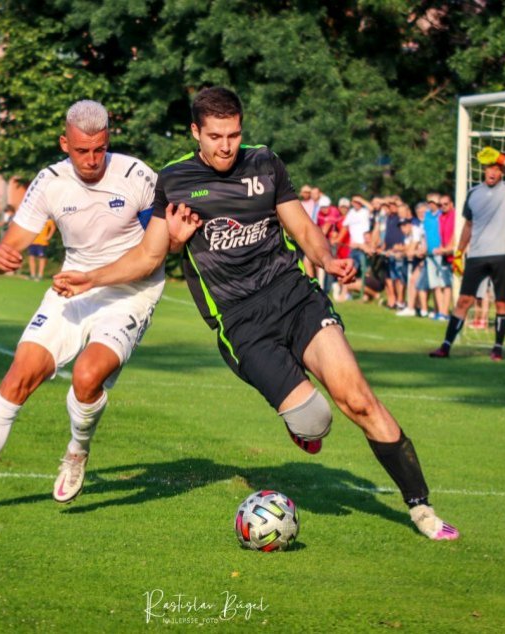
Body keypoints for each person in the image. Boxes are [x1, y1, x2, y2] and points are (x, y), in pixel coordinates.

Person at [53, 87, 459, 541]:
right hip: (240, 322)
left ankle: (421, 508)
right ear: (196, 133)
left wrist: (328, 260)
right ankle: (302, 422)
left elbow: (302, 227)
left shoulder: (265, 163)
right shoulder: (174, 180)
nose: (226, 146)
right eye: (215, 136)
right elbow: (149, 257)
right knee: (315, 421)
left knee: (358, 399)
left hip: (293, 296)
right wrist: (96, 275)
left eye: (233, 134)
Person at [0, 100, 183, 515]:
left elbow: (154, 254)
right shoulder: (49, 182)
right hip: (73, 286)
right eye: (81, 151)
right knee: (18, 376)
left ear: (107, 140)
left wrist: (174, 238)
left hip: (130, 292)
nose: (91, 160)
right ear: (64, 142)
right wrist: (0, 256)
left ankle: (77, 450)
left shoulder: (137, 176)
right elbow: (11, 242)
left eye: (99, 150)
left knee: (87, 377)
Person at [429, 146, 505, 361]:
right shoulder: (473, 193)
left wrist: (502, 158)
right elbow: (468, 225)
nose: (493, 172)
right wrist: (458, 253)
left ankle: (497, 348)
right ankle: (446, 346)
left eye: (497, 169)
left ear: (501, 171)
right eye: (490, 168)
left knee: (501, 302)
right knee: (463, 301)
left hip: (502, 254)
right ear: (484, 170)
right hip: (476, 255)